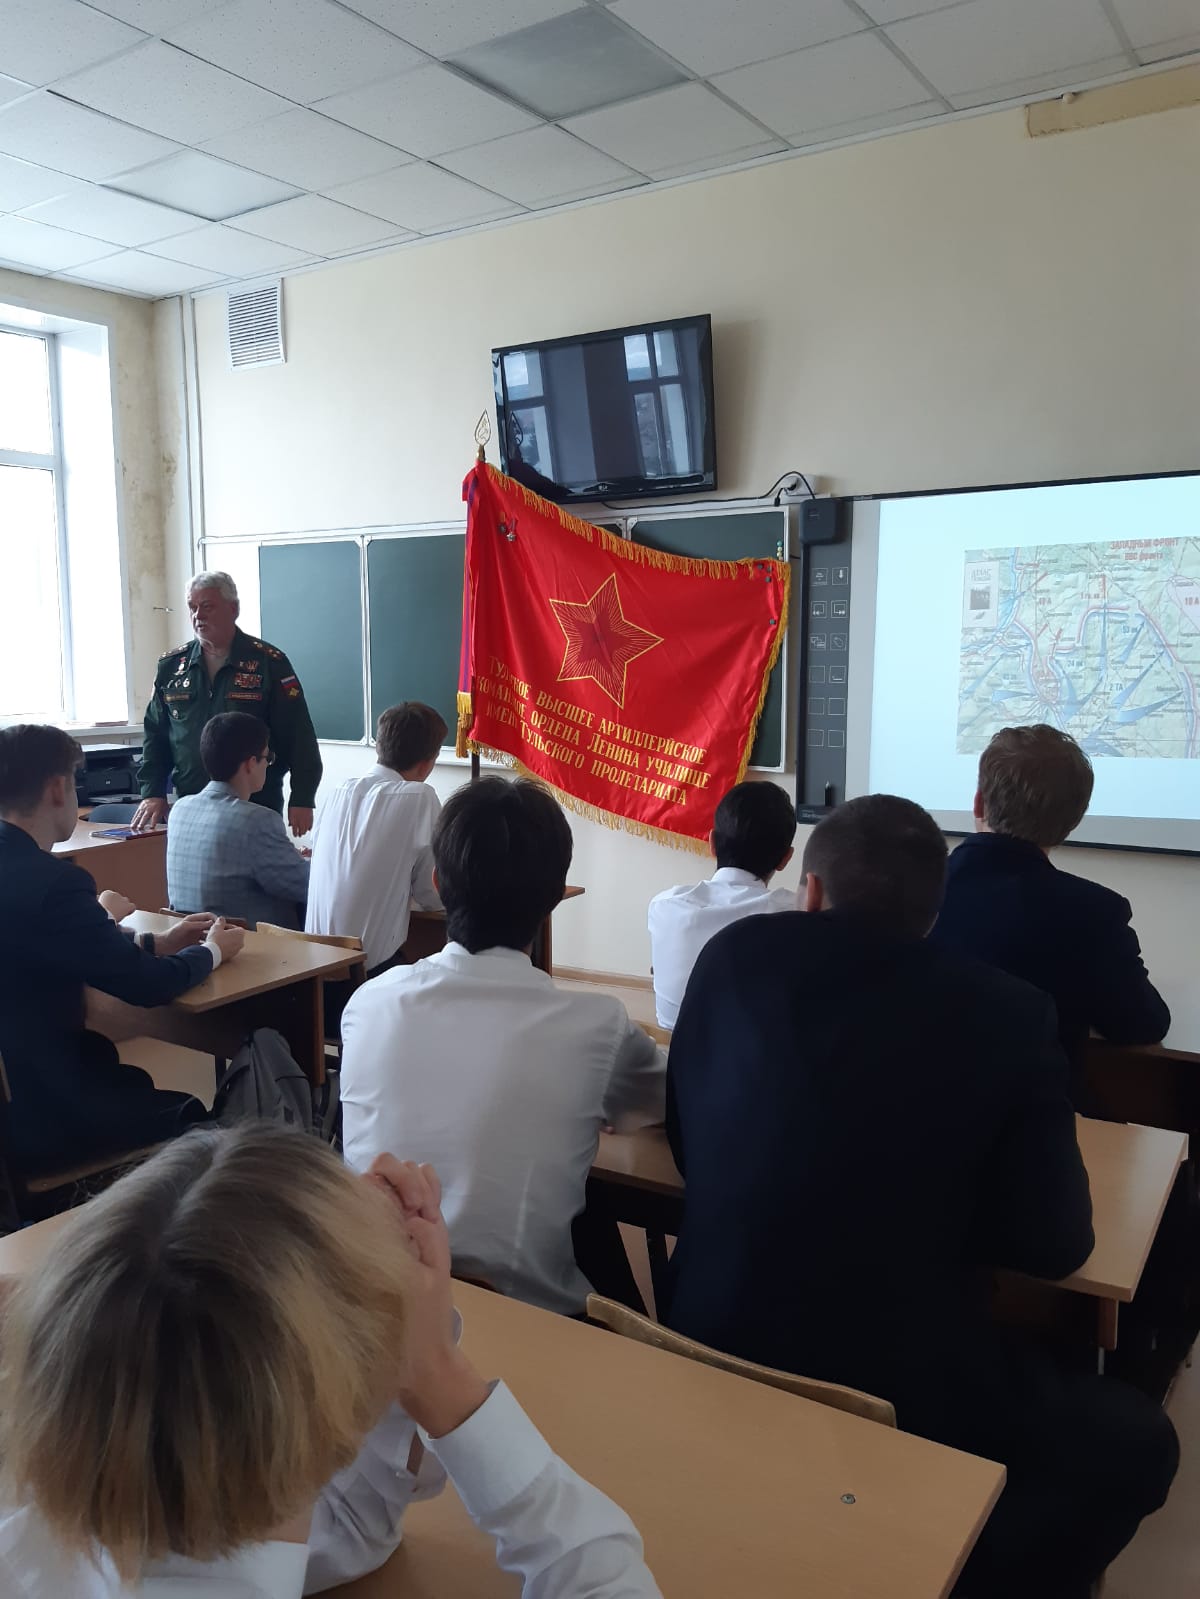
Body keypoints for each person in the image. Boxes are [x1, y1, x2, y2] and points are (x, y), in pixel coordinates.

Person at [664, 794, 1177, 1599]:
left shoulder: (730, 956)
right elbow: (1057, 1245)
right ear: (934, 914)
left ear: (810, 892)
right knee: (1140, 1442)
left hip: (702, 1328)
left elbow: (687, 1139)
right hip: (896, 1379)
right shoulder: (1008, 1013)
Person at [0, 1124, 661, 1597]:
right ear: (363, 1401)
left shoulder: (36, 1530)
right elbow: (604, 1578)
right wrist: (437, 1370)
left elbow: (334, 1533)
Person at [340, 777, 666, 1316]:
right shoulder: (597, 1025)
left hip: (372, 1306)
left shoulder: (369, 1002)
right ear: (557, 896)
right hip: (529, 1319)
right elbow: (663, 1103)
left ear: (438, 883)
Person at [0, 725, 243, 1179]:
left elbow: (43, 944)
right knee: (196, 1119)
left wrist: (153, 942)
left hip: (16, 1097)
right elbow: (148, 986)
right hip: (43, 1113)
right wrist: (212, 951)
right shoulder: (56, 884)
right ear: (57, 789)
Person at [932, 724, 1169, 1096]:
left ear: (978, 803)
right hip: (1032, 1121)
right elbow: (1143, 1024)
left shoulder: (912, 889)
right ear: (1072, 822)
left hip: (906, 1111)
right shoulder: (1093, 913)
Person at [133, 571, 322, 839]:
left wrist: (303, 796)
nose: (198, 615)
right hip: (192, 802)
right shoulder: (172, 667)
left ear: (233, 609)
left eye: (207, 606)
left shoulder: (269, 663)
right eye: (192, 607)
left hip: (255, 804)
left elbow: (298, 734)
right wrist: (152, 792)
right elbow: (156, 735)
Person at [306, 702, 446, 971]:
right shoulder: (419, 797)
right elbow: (432, 894)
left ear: (379, 746)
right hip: (365, 971)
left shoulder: (337, 792)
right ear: (427, 764)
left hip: (313, 970)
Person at [647, 780, 796, 1027]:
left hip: (676, 1045)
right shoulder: (794, 914)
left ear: (712, 843)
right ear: (785, 859)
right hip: (753, 1048)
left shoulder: (664, 905)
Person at [167, 713, 311, 930]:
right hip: (253, 946)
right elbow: (310, 886)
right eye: (267, 758)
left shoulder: (180, 810)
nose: (268, 764)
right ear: (250, 764)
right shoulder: (257, 820)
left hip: (192, 941)